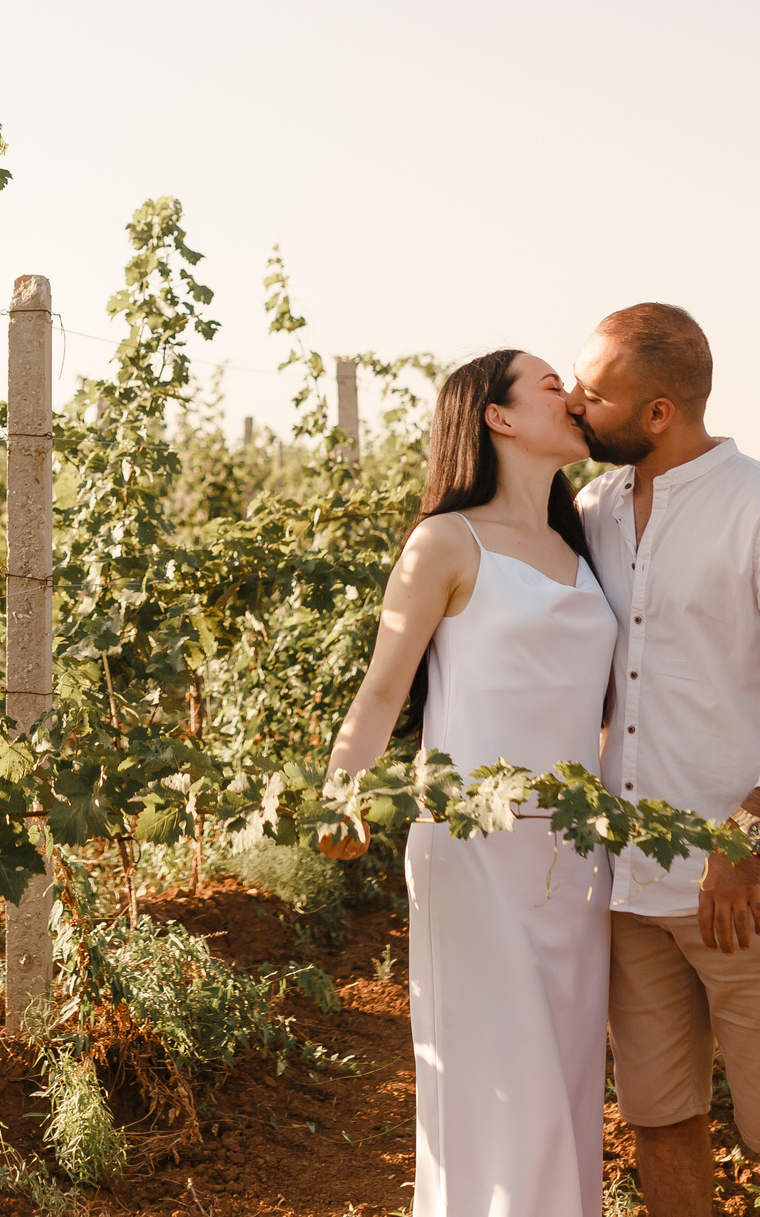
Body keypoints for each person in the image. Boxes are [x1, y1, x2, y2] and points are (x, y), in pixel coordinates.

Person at [567, 303, 760, 1217]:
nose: (578, 403)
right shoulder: (591, 514)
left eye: (597, 390)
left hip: (750, 889)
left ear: (658, 412)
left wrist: (744, 842)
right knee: (659, 1120)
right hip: (630, 890)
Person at [318, 349, 618, 1217]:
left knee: (562, 1085)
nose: (575, 396)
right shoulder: (446, 540)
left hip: (572, 858)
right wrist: (344, 792)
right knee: (499, 1085)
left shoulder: (584, 542)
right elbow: (382, 689)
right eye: (553, 384)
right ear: (498, 416)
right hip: (474, 849)